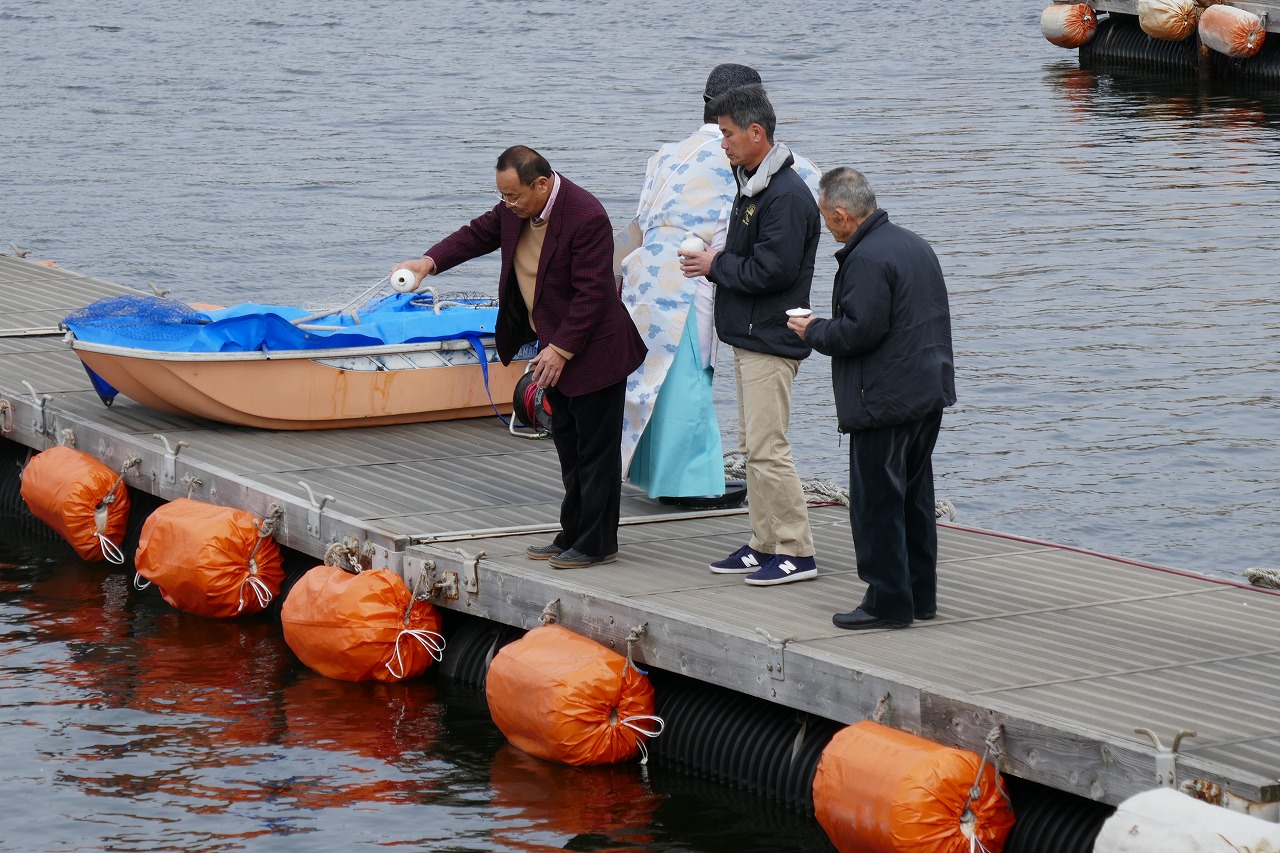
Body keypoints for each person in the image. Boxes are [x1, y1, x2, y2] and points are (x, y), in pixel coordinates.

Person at [393, 145, 646, 570]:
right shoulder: (514, 210)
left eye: (513, 196)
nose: (506, 204)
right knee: (567, 442)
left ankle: (598, 542)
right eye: (502, 196)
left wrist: (561, 349)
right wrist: (428, 263)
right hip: (554, 346)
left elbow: (593, 294)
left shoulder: (586, 216)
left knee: (596, 451)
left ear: (541, 184)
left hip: (595, 348)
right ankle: (573, 532)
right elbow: (474, 234)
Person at [788, 167, 956, 629]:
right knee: (914, 497)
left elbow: (859, 332)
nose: (826, 227)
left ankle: (887, 601)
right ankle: (919, 595)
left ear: (843, 215)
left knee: (877, 502)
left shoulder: (865, 259)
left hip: (884, 400)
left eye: (826, 218)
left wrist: (813, 329)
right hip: (926, 393)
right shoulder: (913, 243)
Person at [680, 84, 821, 587]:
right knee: (752, 444)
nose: (723, 144)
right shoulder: (753, 183)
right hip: (748, 335)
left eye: (728, 134)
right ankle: (763, 542)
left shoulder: (786, 196)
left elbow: (775, 271)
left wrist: (714, 264)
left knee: (768, 446)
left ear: (757, 132)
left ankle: (795, 550)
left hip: (771, 339)